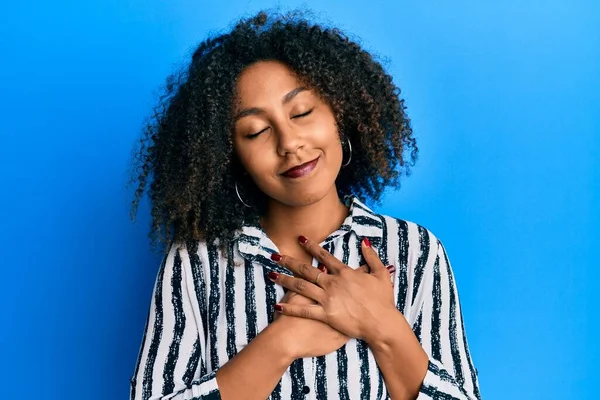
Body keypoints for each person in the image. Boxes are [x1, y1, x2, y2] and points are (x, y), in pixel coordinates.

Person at [127, 8, 481, 400]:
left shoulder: (415, 252)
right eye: (256, 131)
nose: (289, 142)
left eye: (302, 112)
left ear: (339, 116)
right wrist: (283, 342)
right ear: (230, 157)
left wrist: (383, 325)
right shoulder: (196, 264)